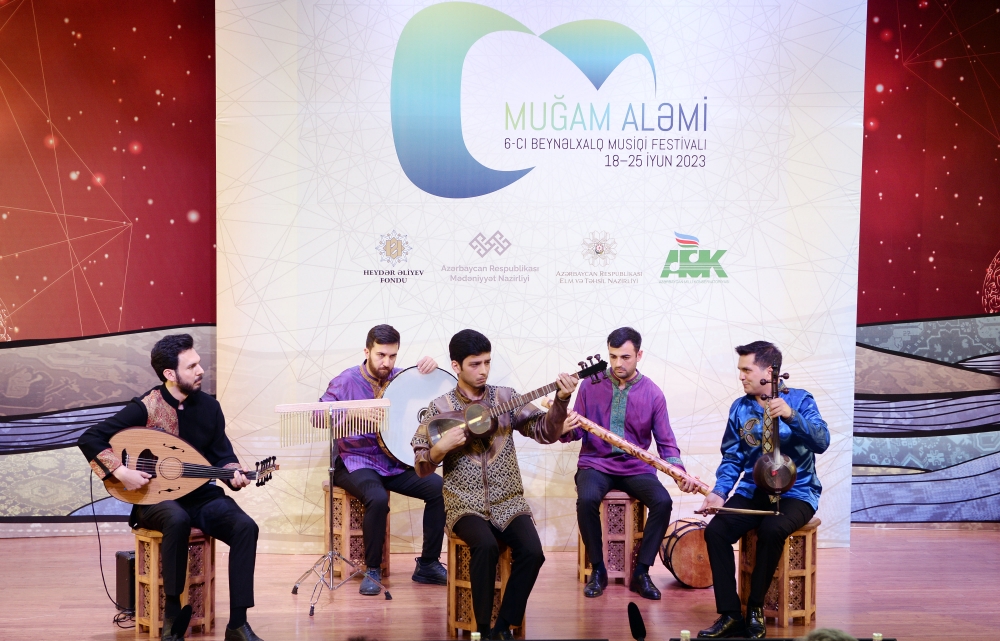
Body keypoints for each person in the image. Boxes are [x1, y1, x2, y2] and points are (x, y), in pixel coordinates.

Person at [78, 334, 265, 641]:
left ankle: (238, 624)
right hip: (154, 498)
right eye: (191, 366)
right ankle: (172, 614)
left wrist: (233, 474)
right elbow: (89, 438)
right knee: (176, 519)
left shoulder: (210, 407)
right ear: (170, 374)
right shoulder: (145, 407)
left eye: (199, 363)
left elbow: (222, 455)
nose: (201, 370)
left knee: (246, 527)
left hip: (201, 496)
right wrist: (122, 473)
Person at [411, 329, 578, 640]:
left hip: (509, 500)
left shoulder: (505, 398)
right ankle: (483, 631)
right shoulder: (440, 407)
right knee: (485, 546)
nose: (483, 370)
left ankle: (503, 627)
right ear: (456, 365)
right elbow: (422, 466)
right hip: (463, 503)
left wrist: (561, 400)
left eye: (487, 362)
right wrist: (440, 448)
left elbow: (545, 432)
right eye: (475, 364)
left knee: (533, 552)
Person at [697, 341, 830, 639]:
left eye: (747, 370)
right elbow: (732, 457)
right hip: (753, 489)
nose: (741, 376)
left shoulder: (800, 399)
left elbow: (822, 442)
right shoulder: (740, 408)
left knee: (772, 530)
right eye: (740, 370)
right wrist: (719, 492)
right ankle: (730, 614)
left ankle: (755, 609)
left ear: (769, 372)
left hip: (797, 492)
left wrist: (792, 416)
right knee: (716, 532)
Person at [561, 327, 701, 600]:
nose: (618, 364)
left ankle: (642, 572)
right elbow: (574, 433)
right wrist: (563, 426)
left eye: (625, 357)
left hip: (636, 467)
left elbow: (666, 442)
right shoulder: (590, 385)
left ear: (639, 355)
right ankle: (598, 570)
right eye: (613, 356)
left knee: (663, 502)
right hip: (595, 464)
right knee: (586, 499)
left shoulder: (653, 394)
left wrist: (679, 473)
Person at [321, 324, 448, 595]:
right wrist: (354, 413)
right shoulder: (345, 380)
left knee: (439, 489)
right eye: (381, 355)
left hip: (393, 462)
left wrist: (432, 370)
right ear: (367, 351)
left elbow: (438, 394)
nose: (386, 362)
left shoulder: (402, 378)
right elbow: (317, 416)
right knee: (377, 498)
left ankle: (427, 564)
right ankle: (372, 569)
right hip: (355, 461)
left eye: (392, 356)